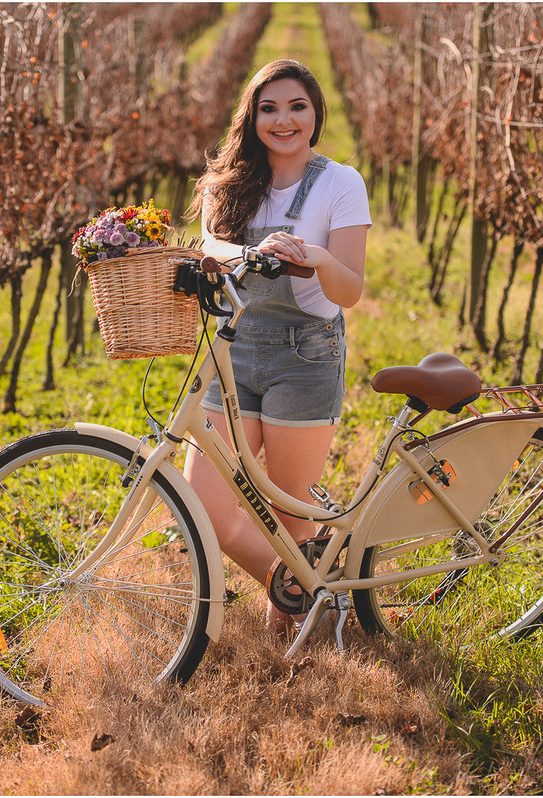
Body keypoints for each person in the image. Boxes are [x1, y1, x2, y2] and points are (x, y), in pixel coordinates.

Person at [183, 59, 371, 634]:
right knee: (206, 512)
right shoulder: (234, 182)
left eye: (297, 107)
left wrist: (316, 259)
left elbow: (352, 290)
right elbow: (208, 243)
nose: (283, 120)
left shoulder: (340, 183)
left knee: (291, 513)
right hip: (234, 349)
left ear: (315, 115)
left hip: (305, 353)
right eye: (269, 108)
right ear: (252, 116)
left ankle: (287, 615)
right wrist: (242, 252)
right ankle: (305, 592)